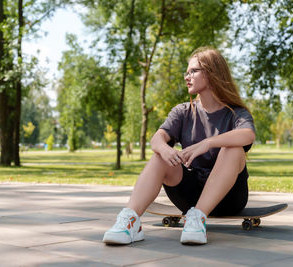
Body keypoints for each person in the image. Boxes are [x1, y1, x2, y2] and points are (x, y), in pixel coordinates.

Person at [102, 47, 256, 245]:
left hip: (229, 198)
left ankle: (199, 217)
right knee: (160, 155)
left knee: (233, 149)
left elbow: (248, 135)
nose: (187, 76)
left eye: (193, 71)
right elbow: (157, 138)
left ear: (212, 73)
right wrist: (165, 149)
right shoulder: (183, 111)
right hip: (189, 197)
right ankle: (130, 222)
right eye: (187, 72)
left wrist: (207, 143)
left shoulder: (236, 113)